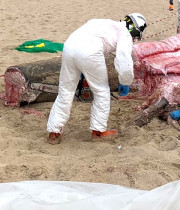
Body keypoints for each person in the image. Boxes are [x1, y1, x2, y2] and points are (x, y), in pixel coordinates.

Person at [46, 13, 146, 144]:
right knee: (101, 91)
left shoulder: (105, 22)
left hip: (69, 47)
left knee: (65, 90)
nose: (135, 40)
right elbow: (123, 59)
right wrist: (125, 82)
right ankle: (98, 132)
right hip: (89, 53)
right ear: (135, 30)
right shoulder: (125, 34)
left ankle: (54, 132)